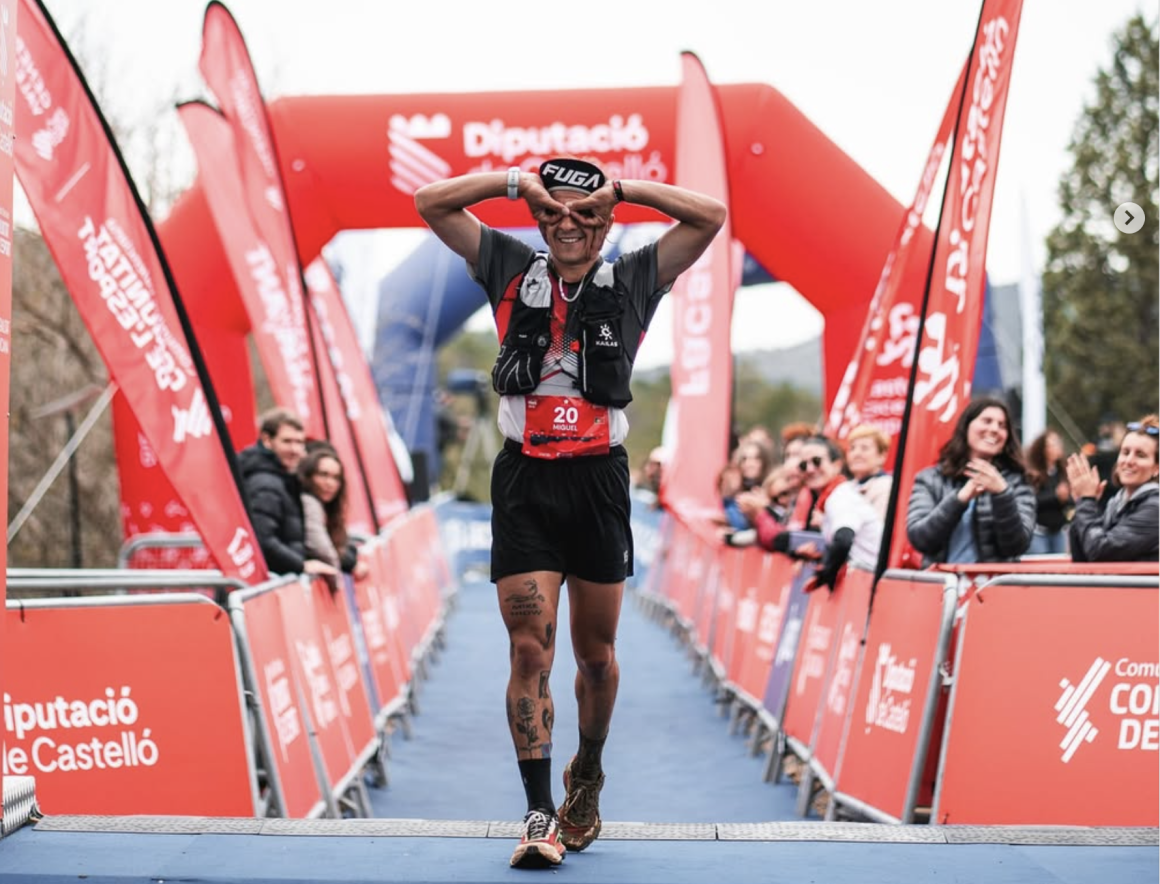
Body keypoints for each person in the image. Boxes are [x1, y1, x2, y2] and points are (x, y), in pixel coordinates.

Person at [415, 157, 725, 867]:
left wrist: (625, 191)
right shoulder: (508, 265)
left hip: (597, 482)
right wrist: (511, 184)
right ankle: (537, 814)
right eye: (553, 211)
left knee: (597, 658)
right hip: (525, 478)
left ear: (607, 222)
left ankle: (587, 769)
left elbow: (709, 216)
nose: (568, 224)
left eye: (585, 214)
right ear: (537, 216)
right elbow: (431, 202)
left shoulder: (634, 277)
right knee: (530, 649)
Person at [906, 396, 1036, 565]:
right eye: (987, 421)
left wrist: (1002, 494)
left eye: (1002, 425)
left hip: (995, 581)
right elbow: (920, 539)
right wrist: (960, 499)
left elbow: (1016, 546)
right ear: (966, 427)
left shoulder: (1018, 481)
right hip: (942, 581)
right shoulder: (930, 479)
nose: (994, 429)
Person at [238, 407, 337, 579]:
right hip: (268, 584)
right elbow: (263, 540)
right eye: (287, 441)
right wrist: (301, 565)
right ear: (267, 440)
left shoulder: (284, 478)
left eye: (299, 442)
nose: (295, 449)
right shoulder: (265, 484)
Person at [1066, 415, 1159, 561]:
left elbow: (1100, 551)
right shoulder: (1116, 503)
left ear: (1156, 468)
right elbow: (1081, 556)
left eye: (1140, 455)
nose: (1129, 461)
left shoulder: (1155, 508)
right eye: (1125, 452)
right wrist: (1082, 504)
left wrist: (1087, 501)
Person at [299, 445, 371, 582]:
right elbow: (321, 548)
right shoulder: (309, 503)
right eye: (323, 475)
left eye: (336, 478)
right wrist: (336, 579)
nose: (330, 483)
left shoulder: (328, 508)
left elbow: (339, 543)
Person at [1024, 429, 1072, 555]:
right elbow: (1030, 500)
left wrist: (1066, 498)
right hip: (1038, 532)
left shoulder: (1062, 471)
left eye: (1058, 443)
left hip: (1057, 531)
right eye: (1053, 444)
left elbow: (1070, 502)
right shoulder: (1033, 473)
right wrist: (1055, 496)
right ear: (1043, 449)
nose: (1058, 447)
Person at [843, 424, 893, 520]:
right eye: (852, 448)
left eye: (864, 448)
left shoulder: (886, 486)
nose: (856, 453)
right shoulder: (845, 487)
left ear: (882, 456)